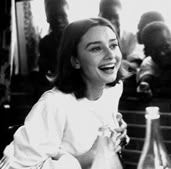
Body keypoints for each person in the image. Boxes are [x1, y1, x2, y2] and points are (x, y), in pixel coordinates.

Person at [1, 17, 129, 169]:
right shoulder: (55, 104)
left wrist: (116, 140)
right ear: (75, 60)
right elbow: (11, 167)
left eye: (113, 45)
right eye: (96, 48)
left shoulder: (113, 89)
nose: (110, 55)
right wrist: (83, 161)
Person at [32, 0, 70, 102]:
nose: (58, 20)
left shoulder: (78, 40)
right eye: (54, 16)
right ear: (48, 19)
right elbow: (44, 71)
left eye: (63, 15)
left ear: (69, 15)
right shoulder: (45, 42)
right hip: (54, 86)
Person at [98, 0, 144, 73]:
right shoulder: (94, 36)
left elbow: (137, 64)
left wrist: (119, 63)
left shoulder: (130, 37)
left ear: (121, 16)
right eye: (107, 17)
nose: (111, 21)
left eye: (115, 17)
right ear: (99, 16)